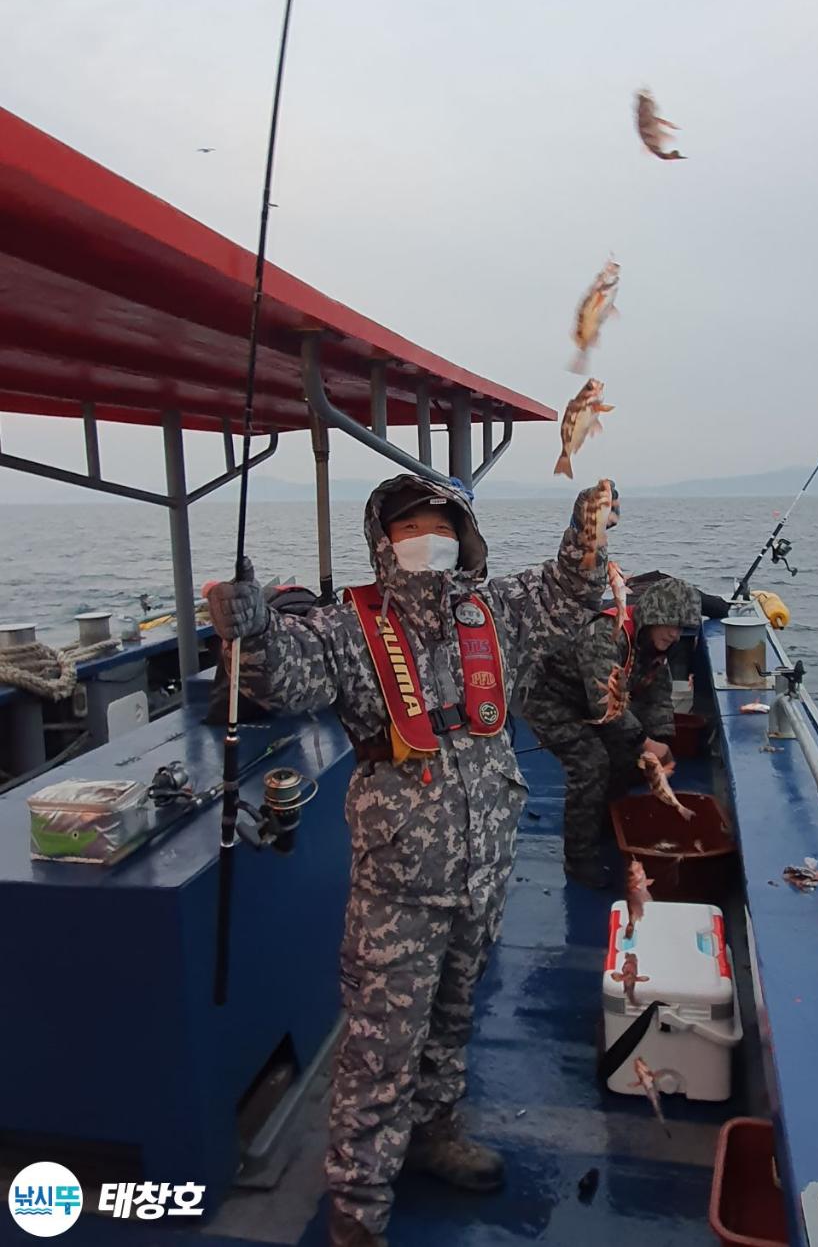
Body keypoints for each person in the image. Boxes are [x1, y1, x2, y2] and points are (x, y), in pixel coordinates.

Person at [206, 473, 614, 1247]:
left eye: (442, 525)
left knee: (452, 1018)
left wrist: (586, 533)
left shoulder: (497, 610)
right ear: (383, 543)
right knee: (379, 1049)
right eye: (409, 528)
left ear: (465, 535)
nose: (428, 540)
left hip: (484, 870)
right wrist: (250, 631)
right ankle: (358, 1211)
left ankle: (434, 1132)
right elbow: (282, 676)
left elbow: (569, 593)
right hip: (399, 886)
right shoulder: (347, 627)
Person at [523, 574, 727, 889]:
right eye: (669, 624)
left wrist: (661, 741)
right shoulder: (607, 635)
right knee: (591, 764)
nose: (675, 634)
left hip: (592, 705)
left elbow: (657, 693)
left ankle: (606, 818)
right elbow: (605, 704)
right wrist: (645, 742)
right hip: (553, 701)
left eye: (681, 628)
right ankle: (579, 858)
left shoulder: (653, 644)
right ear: (652, 616)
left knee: (626, 759)